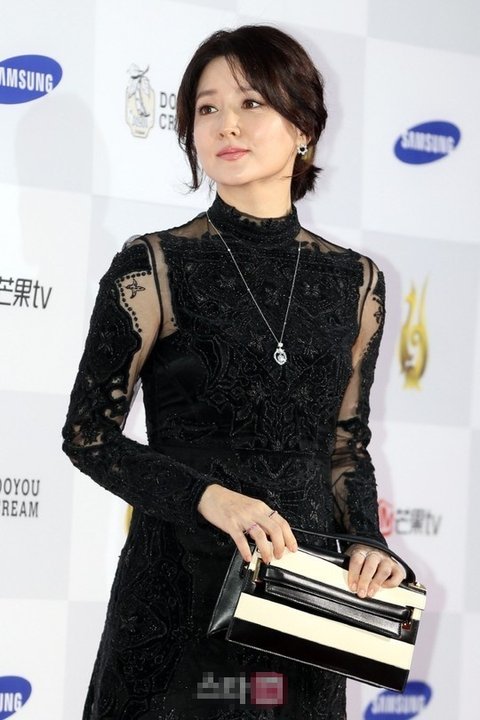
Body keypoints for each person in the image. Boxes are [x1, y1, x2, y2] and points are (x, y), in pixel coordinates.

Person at [62, 24, 405, 720]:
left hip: (300, 598)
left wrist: (368, 542)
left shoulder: (356, 282)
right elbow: (88, 435)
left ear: (302, 126)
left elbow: (345, 446)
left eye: (251, 103)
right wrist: (207, 497)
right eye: (207, 108)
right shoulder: (154, 264)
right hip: (176, 589)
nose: (226, 125)